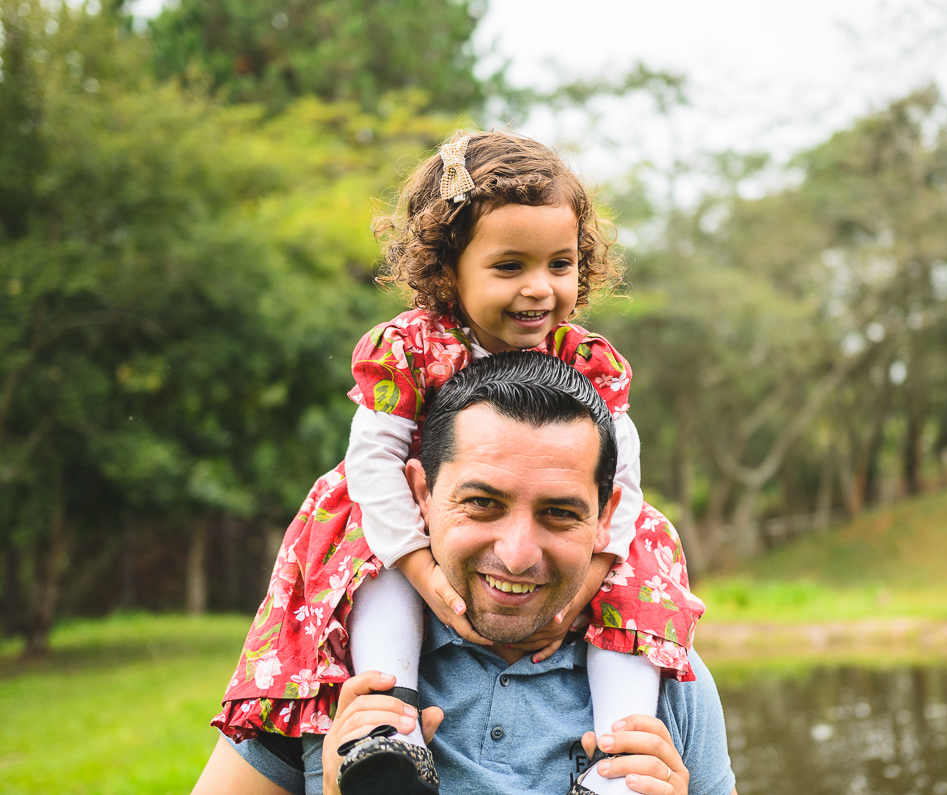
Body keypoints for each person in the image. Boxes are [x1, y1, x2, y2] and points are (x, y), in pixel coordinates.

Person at [211, 131, 704, 795]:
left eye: (559, 264)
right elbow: (374, 462)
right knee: (368, 548)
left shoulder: (587, 362)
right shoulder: (412, 348)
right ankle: (390, 727)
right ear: (450, 270)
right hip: (394, 514)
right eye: (510, 267)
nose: (540, 289)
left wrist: (582, 585)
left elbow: (624, 484)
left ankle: (621, 758)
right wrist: (420, 567)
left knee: (641, 563)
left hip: (585, 551)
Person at [194, 353, 736, 795]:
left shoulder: (667, 683)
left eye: (560, 512)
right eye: (481, 503)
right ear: (421, 496)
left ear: (607, 518)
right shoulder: (326, 666)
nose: (519, 553)